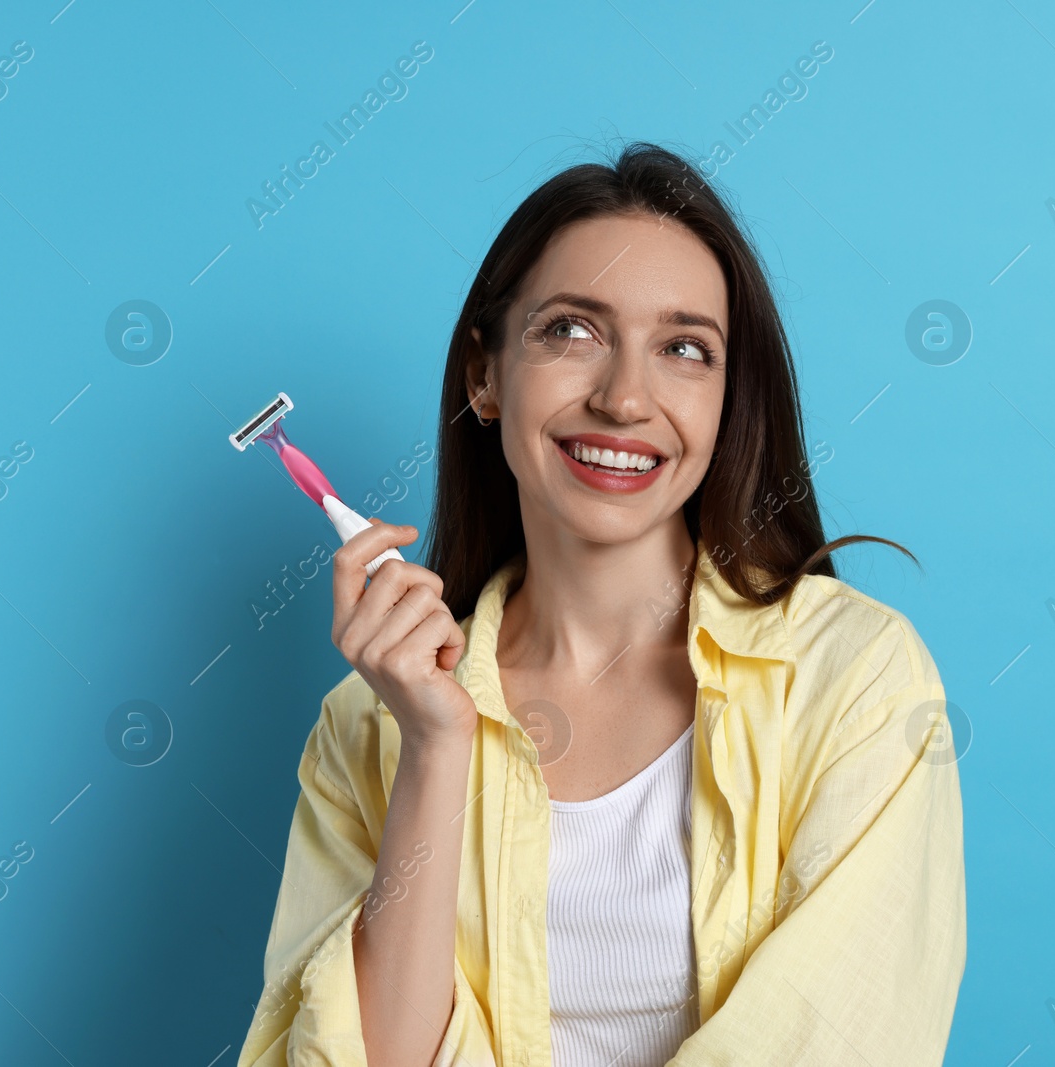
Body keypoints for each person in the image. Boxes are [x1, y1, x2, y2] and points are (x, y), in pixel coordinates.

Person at [237, 142, 966, 1067]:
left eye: (684, 349)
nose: (625, 398)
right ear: (485, 375)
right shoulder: (364, 731)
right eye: (571, 331)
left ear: (727, 397)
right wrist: (432, 745)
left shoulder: (853, 678)